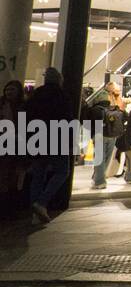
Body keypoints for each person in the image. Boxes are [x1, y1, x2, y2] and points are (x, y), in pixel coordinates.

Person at [26, 68, 73, 225]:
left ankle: (35, 211)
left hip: (37, 139)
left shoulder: (36, 95)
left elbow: (27, 116)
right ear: (59, 79)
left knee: (38, 175)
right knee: (62, 171)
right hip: (57, 140)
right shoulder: (62, 96)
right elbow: (67, 120)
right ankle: (41, 202)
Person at [89, 83, 128, 189]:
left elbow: (89, 122)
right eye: (117, 89)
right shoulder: (117, 103)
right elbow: (124, 116)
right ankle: (98, 178)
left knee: (100, 158)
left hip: (100, 133)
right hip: (113, 133)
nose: (118, 91)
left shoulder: (96, 106)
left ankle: (99, 180)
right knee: (106, 158)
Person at [0, 81, 28, 220]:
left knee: (14, 177)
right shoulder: (3, 105)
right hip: (5, 145)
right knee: (6, 176)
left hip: (16, 146)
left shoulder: (23, 107)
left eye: (12, 89)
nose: (8, 92)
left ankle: (10, 207)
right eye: (7, 89)